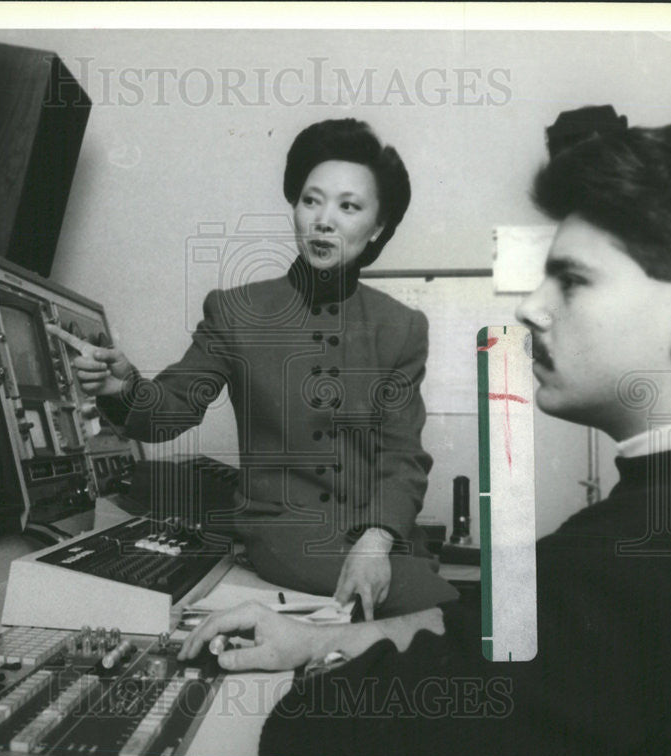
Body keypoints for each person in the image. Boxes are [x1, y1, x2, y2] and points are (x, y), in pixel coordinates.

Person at [178, 110, 671, 756]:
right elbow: (484, 629)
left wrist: (332, 646)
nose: (530, 308)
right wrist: (313, 637)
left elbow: (313, 731)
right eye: (312, 199)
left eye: (573, 279)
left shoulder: (622, 567)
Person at [73, 119, 457, 619]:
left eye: (349, 206)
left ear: (377, 227)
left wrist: (377, 541)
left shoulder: (401, 327)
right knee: (442, 615)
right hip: (285, 534)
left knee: (448, 620)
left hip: (381, 538)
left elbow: (401, 457)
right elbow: (168, 415)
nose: (324, 220)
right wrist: (122, 388)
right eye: (311, 200)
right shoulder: (236, 311)